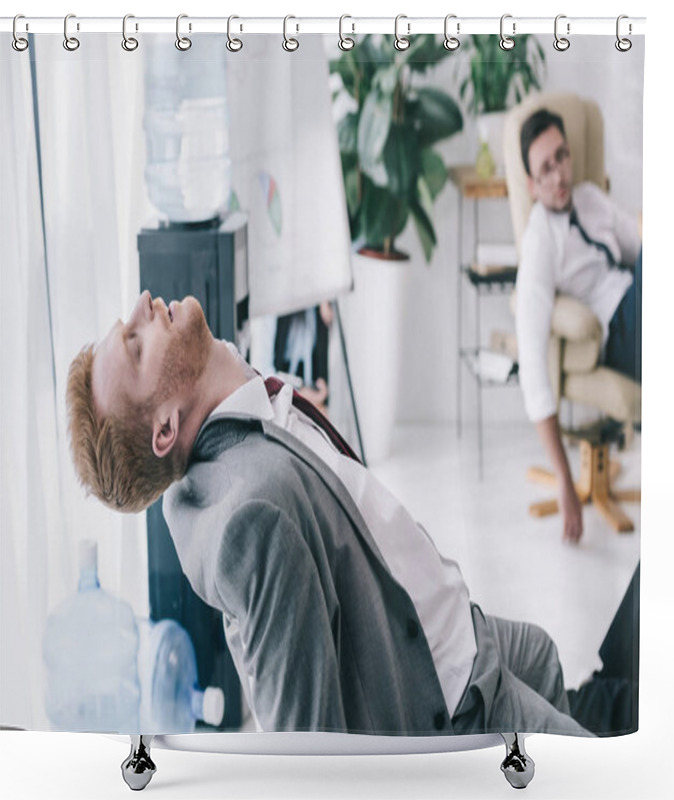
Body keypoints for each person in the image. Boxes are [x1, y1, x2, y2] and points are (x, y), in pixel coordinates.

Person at [65, 290, 635, 736]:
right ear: (166, 428)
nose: (143, 303)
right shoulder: (253, 516)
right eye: (136, 345)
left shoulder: (237, 403)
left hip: (459, 628)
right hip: (455, 702)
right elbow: (307, 746)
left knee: (544, 655)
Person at [516, 108, 642, 544]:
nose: (558, 175)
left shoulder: (590, 197)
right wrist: (565, 482)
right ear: (532, 185)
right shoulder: (539, 243)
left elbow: (638, 247)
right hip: (623, 334)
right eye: (545, 169)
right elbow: (531, 361)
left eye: (562, 157)